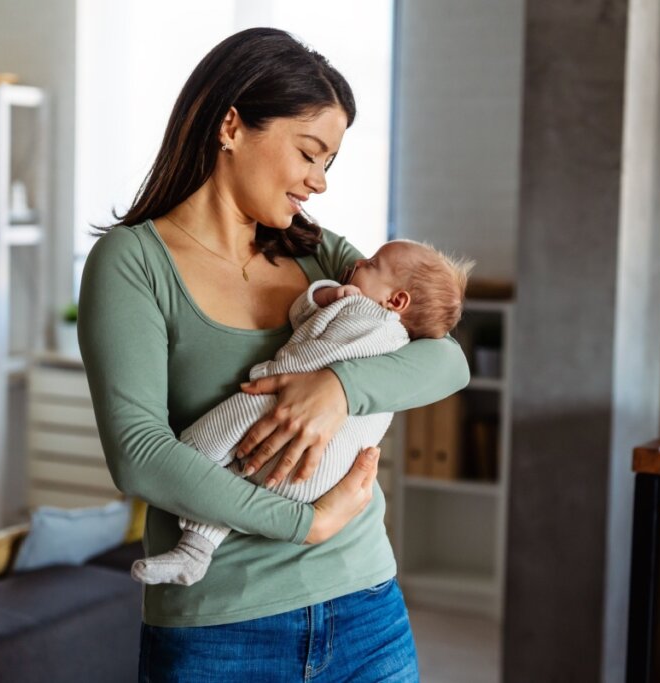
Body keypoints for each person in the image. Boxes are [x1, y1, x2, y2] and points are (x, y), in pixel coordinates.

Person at [78, 27, 470, 682]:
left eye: (330, 164)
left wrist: (338, 387)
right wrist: (303, 523)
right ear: (231, 125)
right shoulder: (132, 263)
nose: (317, 182)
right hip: (220, 630)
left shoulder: (318, 251)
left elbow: (448, 361)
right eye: (310, 153)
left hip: (365, 607)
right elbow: (139, 452)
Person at [130, 241, 474, 586]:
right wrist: (329, 296)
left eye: (371, 264)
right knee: (237, 474)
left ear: (396, 300)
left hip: (312, 457)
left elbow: (313, 352)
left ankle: (190, 472)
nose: (358, 262)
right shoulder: (396, 339)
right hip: (316, 482)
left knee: (215, 441)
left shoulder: (370, 318)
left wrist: (312, 380)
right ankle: (195, 553)